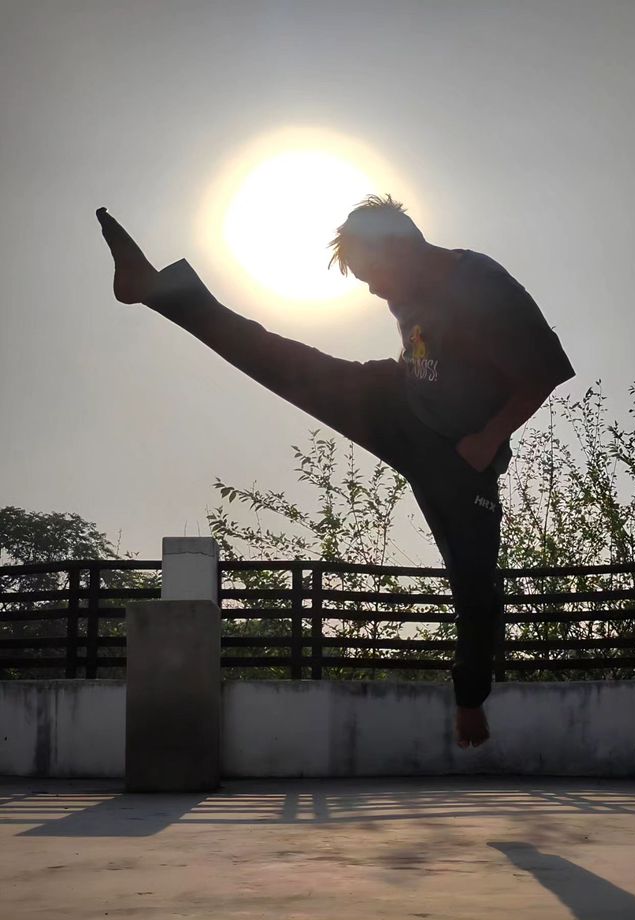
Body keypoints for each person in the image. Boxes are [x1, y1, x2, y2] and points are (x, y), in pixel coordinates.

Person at [96, 194, 575, 749]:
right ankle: (157, 289)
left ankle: (470, 700)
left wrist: (484, 441)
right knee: (283, 363)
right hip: (402, 401)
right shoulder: (409, 280)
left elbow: (543, 373)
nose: (374, 291)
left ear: (405, 248)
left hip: (457, 453)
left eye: (375, 276)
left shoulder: (485, 287)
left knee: (474, 584)